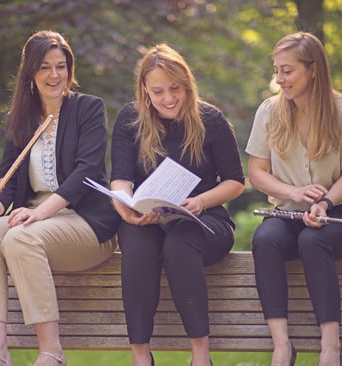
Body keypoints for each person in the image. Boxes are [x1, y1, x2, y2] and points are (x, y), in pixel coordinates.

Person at [0, 30, 120, 366]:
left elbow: (87, 171)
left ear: (69, 69)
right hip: (32, 221)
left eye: (61, 66)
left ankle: (52, 352)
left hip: (86, 224)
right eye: (45, 67)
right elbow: (6, 182)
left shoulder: (88, 108)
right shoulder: (20, 119)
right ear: (30, 74)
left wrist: (41, 213)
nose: (54, 75)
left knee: (21, 237)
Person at [110, 43, 245, 366]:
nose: (168, 98)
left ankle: (200, 355)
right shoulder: (130, 119)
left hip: (205, 218)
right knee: (138, 247)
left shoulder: (211, 120)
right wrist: (125, 207)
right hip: (148, 217)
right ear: (144, 89)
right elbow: (120, 178)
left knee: (181, 242)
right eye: (158, 91)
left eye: (175, 89)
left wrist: (199, 201)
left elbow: (236, 182)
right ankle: (141, 356)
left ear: (187, 85)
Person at [246, 32, 342, 366]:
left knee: (313, 241)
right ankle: (282, 346)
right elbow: (257, 171)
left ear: (312, 69)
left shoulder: (340, 109)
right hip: (287, 210)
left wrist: (325, 201)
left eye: (287, 71)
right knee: (265, 239)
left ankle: (331, 347)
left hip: (334, 211)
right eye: (277, 70)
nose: (279, 79)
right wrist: (294, 193)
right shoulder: (269, 111)